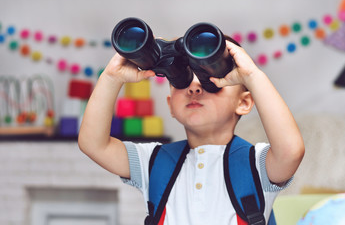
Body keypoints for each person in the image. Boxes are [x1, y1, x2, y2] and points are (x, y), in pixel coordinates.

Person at [78, 38, 305, 224]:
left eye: (211, 82)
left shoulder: (256, 164)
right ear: (170, 106)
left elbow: (291, 151)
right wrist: (111, 77)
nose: (194, 87)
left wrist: (252, 76)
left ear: (244, 103)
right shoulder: (154, 161)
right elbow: (93, 144)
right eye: (182, 80)